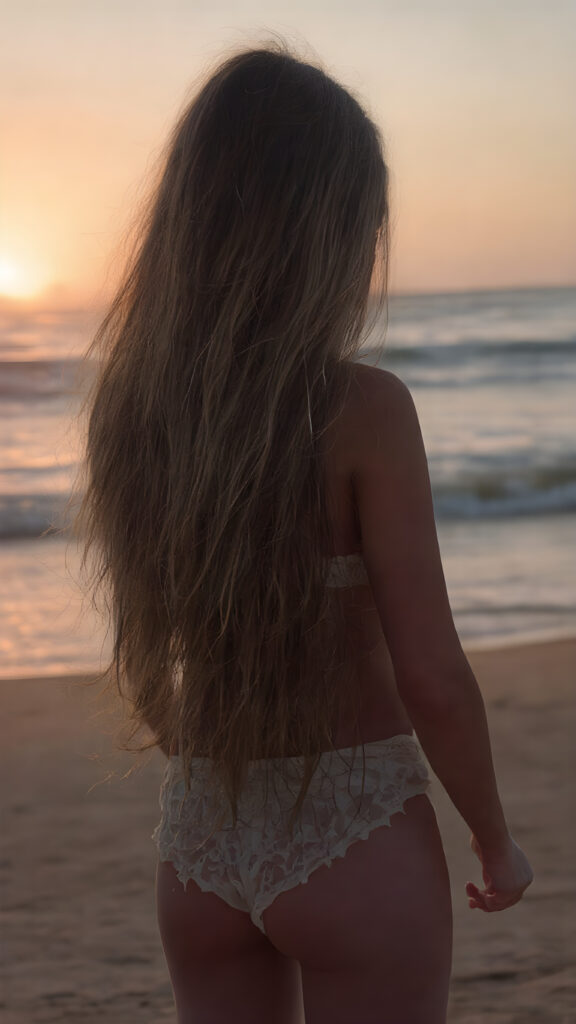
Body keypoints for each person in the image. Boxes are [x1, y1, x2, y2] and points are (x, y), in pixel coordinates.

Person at [75, 42, 534, 1024]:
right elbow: (434, 677)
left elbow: (149, 656)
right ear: (324, 232)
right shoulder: (361, 408)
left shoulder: (131, 409)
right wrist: (495, 837)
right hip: (352, 819)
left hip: (202, 836)